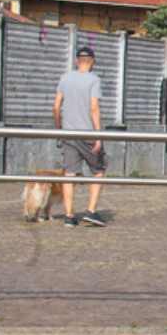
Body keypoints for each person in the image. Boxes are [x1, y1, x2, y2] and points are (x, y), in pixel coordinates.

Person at [52, 46, 107, 227]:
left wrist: (59, 127)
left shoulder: (65, 78)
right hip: (88, 133)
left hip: (68, 133)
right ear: (93, 61)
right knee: (98, 171)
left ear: (77, 61)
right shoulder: (94, 80)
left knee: (69, 173)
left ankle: (69, 215)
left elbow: (56, 106)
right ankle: (91, 211)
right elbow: (94, 108)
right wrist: (98, 136)